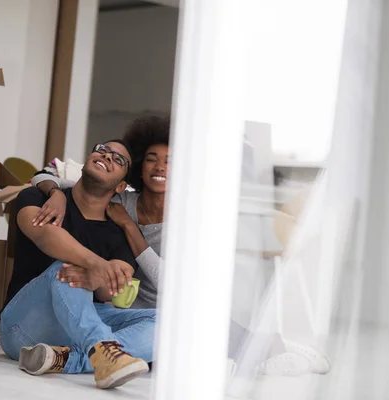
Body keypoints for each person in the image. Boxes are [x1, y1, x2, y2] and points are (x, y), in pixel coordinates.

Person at [30, 116, 330, 377]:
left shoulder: (187, 216)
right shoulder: (121, 200)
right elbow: (44, 174)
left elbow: (169, 284)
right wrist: (55, 193)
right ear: (138, 166)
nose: (160, 166)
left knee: (198, 325)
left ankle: (275, 349)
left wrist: (130, 228)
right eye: (151, 158)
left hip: (174, 306)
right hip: (134, 312)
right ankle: (262, 350)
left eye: (170, 160)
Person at [0, 139, 156, 390]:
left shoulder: (119, 232)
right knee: (68, 268)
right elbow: (45, 235)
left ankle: (66, 359)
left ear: (121, 186)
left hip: (75, 331)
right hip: (21, 326)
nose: (107, 156)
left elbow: (111, 291)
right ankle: (101, 351)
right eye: (103, 150)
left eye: (118, 160)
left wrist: (98, 281)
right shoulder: (38, 196)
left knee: (165, 325)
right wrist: (95, 267)